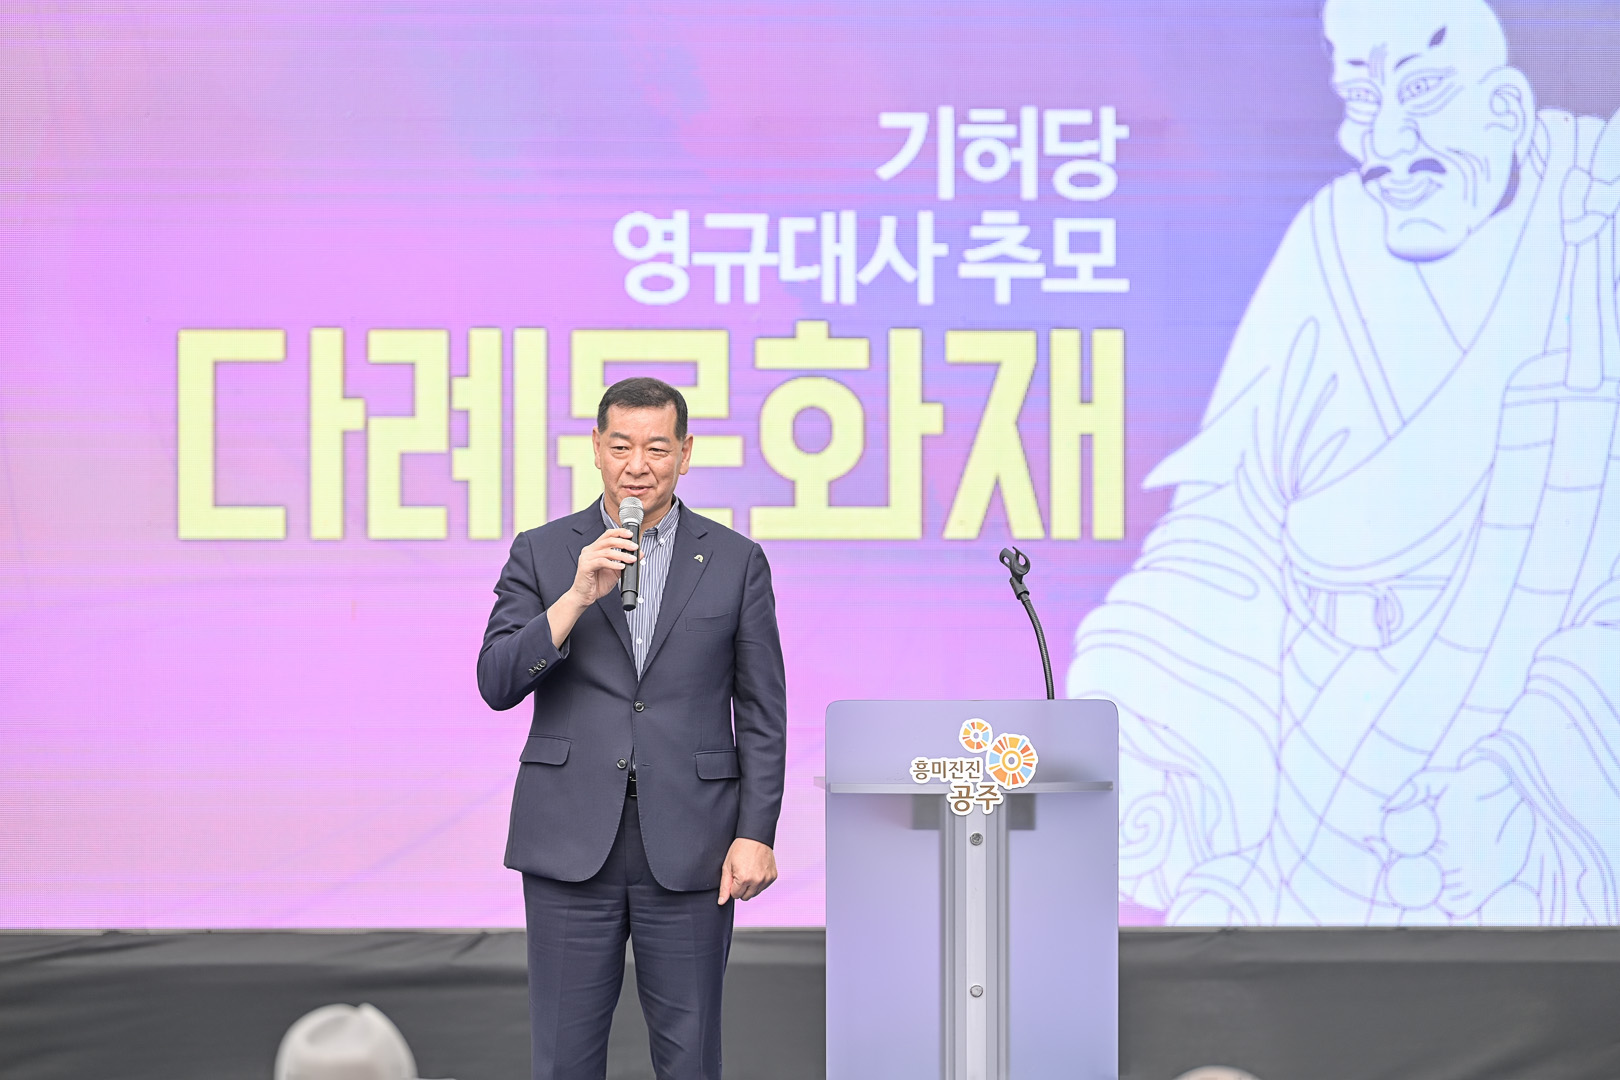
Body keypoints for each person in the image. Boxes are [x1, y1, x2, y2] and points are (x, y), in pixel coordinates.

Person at [1068, 0, 1620, 925]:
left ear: (1507, 104)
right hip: (1312, 760)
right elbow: (1224, 520)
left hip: (1510, 803)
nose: (1385, 141)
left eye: (1423, 91)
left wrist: (1536, 761)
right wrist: (1139, 724)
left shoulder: (1595, 236)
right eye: (1361, 99)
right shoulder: (1330, 239)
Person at [477, 377, 787, 1078]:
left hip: (693, 842)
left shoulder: (736, 560)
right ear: (596, 448)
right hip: (569, 838)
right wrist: (574, 598)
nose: (637, 466)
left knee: (690, 1058)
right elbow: (496, 681)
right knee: (564, 1059)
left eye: (656, 447)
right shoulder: (543, 551)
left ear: (685, 452)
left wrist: (757, 831)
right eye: (621, 447)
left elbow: (762, 712)